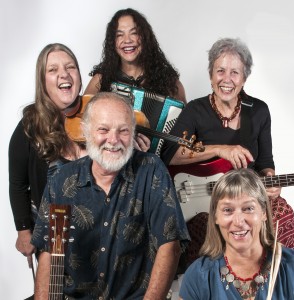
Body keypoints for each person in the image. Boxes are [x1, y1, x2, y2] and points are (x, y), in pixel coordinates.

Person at [32, 92, 190, 299]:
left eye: (123, 131)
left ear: (133, 132)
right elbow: (49, 252)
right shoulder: (62, 180)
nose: (113, 140)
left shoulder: (151, 170)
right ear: (86, 131)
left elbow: (170, 245)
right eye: (103, 130)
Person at [161, 37, 294, 249]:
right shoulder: (195, 110)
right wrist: (219, 150)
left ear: (244, 78)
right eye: (220, 71)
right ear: (210, 75)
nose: (227, 79)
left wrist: (270, 180)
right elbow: (170, 154)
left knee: (283, 212)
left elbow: (265, 162)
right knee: (206, 227)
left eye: (235, 72)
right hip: (207, 202)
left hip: (247, 196)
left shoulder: (259, 111)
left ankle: (279, 278)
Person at [8, 43, 86, 276]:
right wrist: (24, 232)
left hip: (98, 232)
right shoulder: (30, 124)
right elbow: (18, 184)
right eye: (53, 70)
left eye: (70, 67)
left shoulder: (97, 114)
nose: (64, 74)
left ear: (79, 76)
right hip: (55, 236)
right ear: (43, 82)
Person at [179, 168, 294, 299]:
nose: (238, 221)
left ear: (264, 212)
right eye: (227, 210)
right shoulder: (198, 275)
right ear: (215, 217)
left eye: (248, 208)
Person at [85, 8, 186, 103]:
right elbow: (81, 120)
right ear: (112, 42)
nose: (127, 40)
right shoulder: (100, 81)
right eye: (119, 35)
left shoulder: (169, 82)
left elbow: (186, 120)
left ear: (144, 37)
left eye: (134, 33)